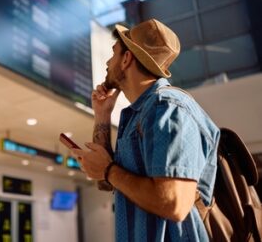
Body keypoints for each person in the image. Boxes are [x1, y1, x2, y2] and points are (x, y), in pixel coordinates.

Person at [71, 19, 219, 241]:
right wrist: (102, 115)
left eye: (114, 53)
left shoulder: (168, 107)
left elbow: (173, 203)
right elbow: (105, 181)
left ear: (127, 59)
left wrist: (109, 170)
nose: (108, 62)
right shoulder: (139, 114)